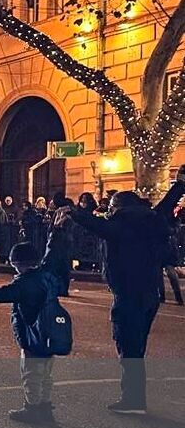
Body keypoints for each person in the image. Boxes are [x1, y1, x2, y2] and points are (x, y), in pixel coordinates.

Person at [68, 166, 185, 414]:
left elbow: (94, 224)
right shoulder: (151, 220)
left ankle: (133, 400)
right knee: (137, 347)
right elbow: (166, 205)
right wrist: (179, 185)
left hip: (127, 294)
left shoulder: (121, 226)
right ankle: (134, 398)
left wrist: (72, 212)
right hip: (149, 293)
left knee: (128, 348)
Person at [0, 212, 72, 424]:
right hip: (50, 333)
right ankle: (45, 406)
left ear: (18, 264)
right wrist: (56, 231)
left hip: (33, 334)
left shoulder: (23, 284)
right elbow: (53, 254)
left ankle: (33, 408)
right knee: (46, 374)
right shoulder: (46, 274)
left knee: (31, 374)